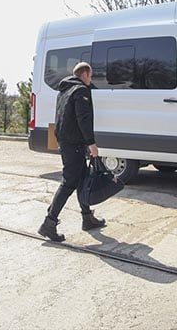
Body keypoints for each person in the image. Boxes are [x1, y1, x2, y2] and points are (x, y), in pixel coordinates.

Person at [38, 62, 106, 242]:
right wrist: (91, 143)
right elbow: (83, 118)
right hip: (74, 144)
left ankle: (87, 217)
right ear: (84, 74)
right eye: (90, 76)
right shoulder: (80, 90)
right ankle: (49, 223)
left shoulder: (64, 91)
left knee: (82, 179)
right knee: (69, 183)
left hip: (67, 142)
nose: (90, 81)